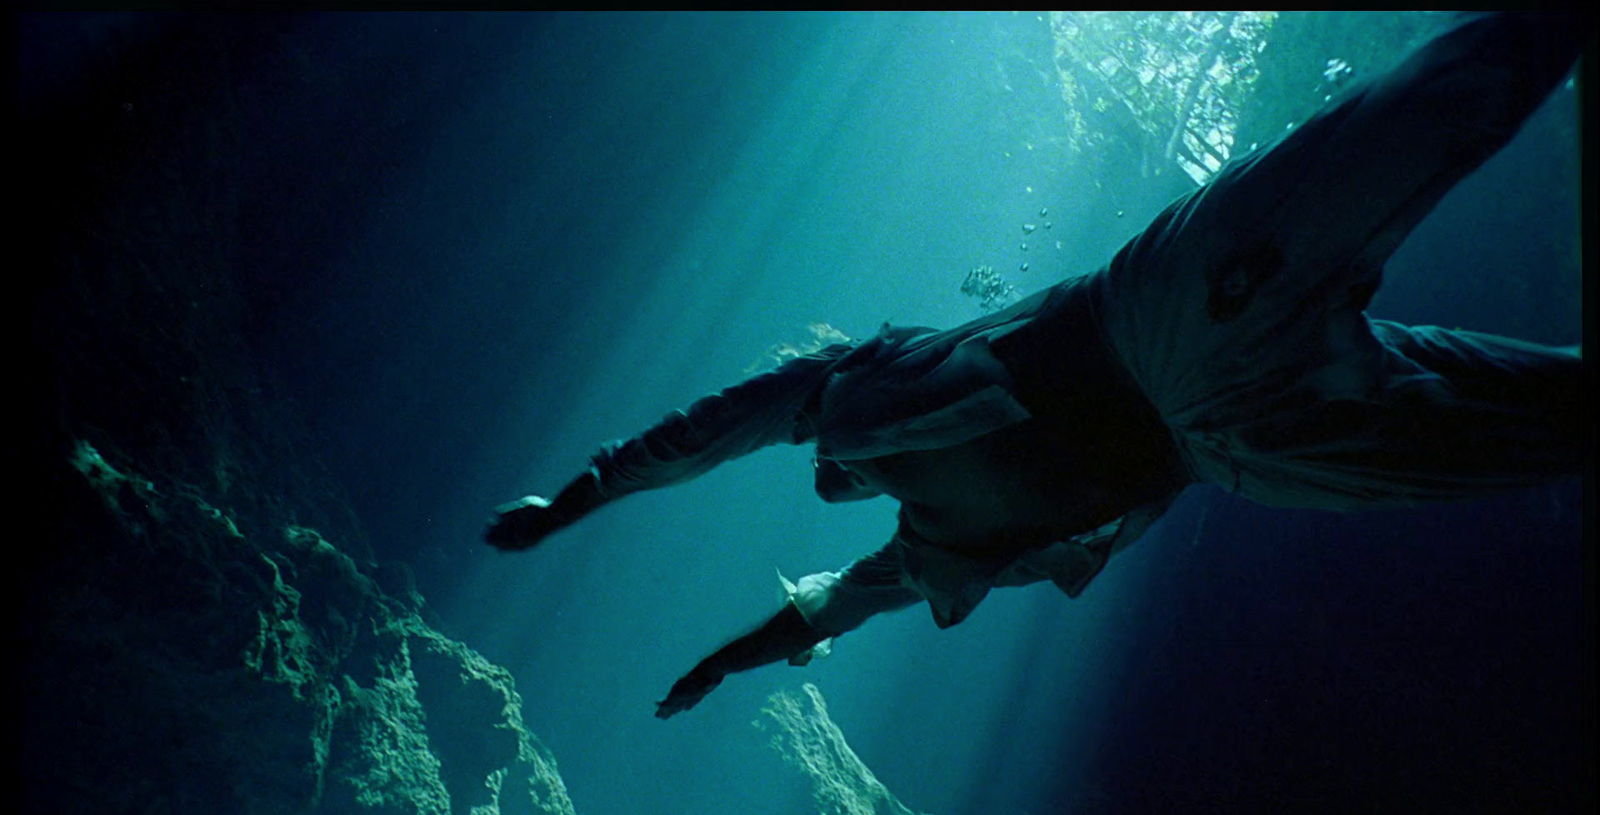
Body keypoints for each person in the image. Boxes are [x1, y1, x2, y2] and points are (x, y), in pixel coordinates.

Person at [485, 12, 1587, 719]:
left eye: (819, 454)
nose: (827, 474)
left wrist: (571, 501)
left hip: (1158, 318)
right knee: (1546, 422)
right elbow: (817, 616)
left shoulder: (845, 379)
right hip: (1232, 444)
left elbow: (695, 433)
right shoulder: (927, 553)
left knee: (1431, 106)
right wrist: (721, 665)